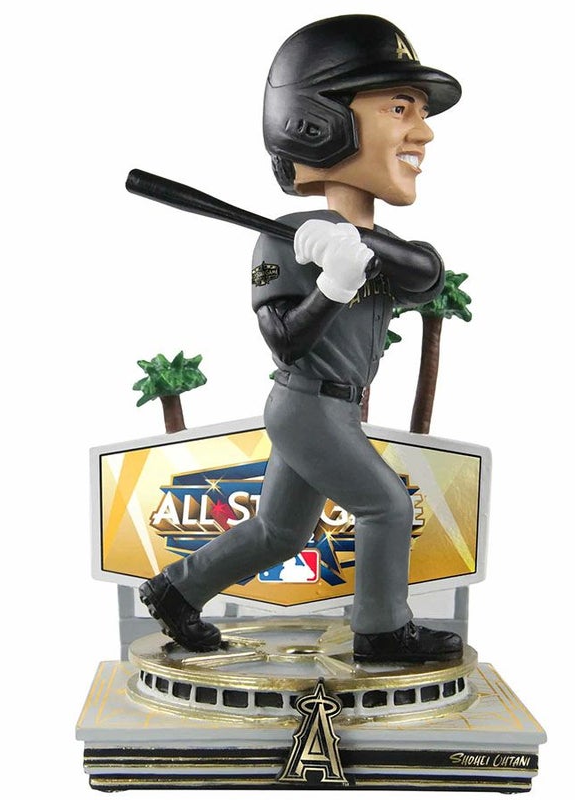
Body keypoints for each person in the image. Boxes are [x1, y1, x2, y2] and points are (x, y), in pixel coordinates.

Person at [140, 15, 463, 663]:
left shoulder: (375, 244)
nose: (423, 131)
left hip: (334, 407)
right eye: (399, 108)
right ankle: (381, 632)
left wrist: (358, 245)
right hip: (306, 402)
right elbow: (285, 342)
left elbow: (426, 274)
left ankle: (175, 591)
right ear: (319, 123)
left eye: (420, 111)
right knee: (386, 505)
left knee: (280, 532)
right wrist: (333, 284)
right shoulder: (282, 241)